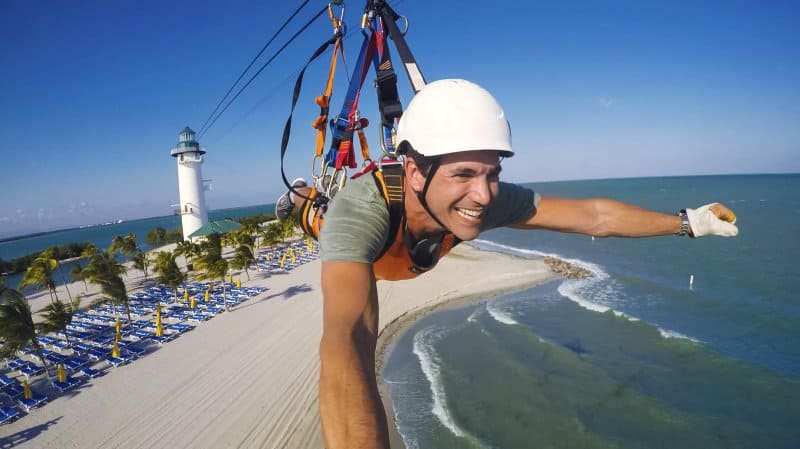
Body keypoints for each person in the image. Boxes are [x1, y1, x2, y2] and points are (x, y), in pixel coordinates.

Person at [277, 79, 738, 448]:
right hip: (365, 240)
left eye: (492, 174)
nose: (483, 194)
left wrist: (688, 222)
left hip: (413, 250)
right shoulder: (358, 215)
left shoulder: (480, 201)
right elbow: (348, 343)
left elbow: (591, 215)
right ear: (415, 172)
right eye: (463, 174)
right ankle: (300, 197)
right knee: (315, 213)